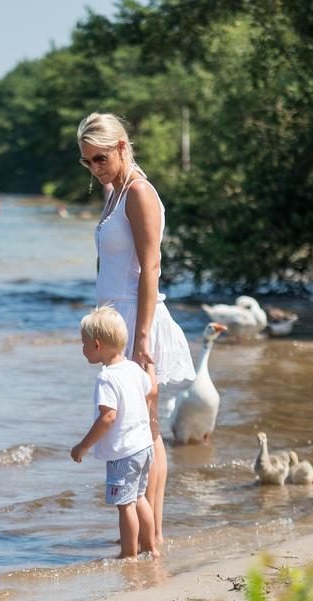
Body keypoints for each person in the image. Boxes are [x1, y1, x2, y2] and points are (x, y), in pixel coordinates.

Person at [77, 112, 196, 548]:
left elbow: (151, 267)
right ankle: (143, 533)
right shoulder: (114, 191)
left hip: (136, 321)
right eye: (87, 161)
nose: (95, 168)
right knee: (131, 429)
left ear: (123, 146)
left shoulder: (139, 193)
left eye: (100, 158)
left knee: (146, 429)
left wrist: (142, 336)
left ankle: (155, 534)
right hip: (115, 322)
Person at [71, 306, 158, 559]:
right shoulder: (132, 368)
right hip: (144, 447)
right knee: (140, 498)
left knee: (125, 505)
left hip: (124, 453)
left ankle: (129, 554)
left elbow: (108, 417)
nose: (83, 349)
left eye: (84, 344)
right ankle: (151, 548)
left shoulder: (106, 378)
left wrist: (83, 446)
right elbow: (150, 391)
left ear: (97, 345)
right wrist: (150, 367)